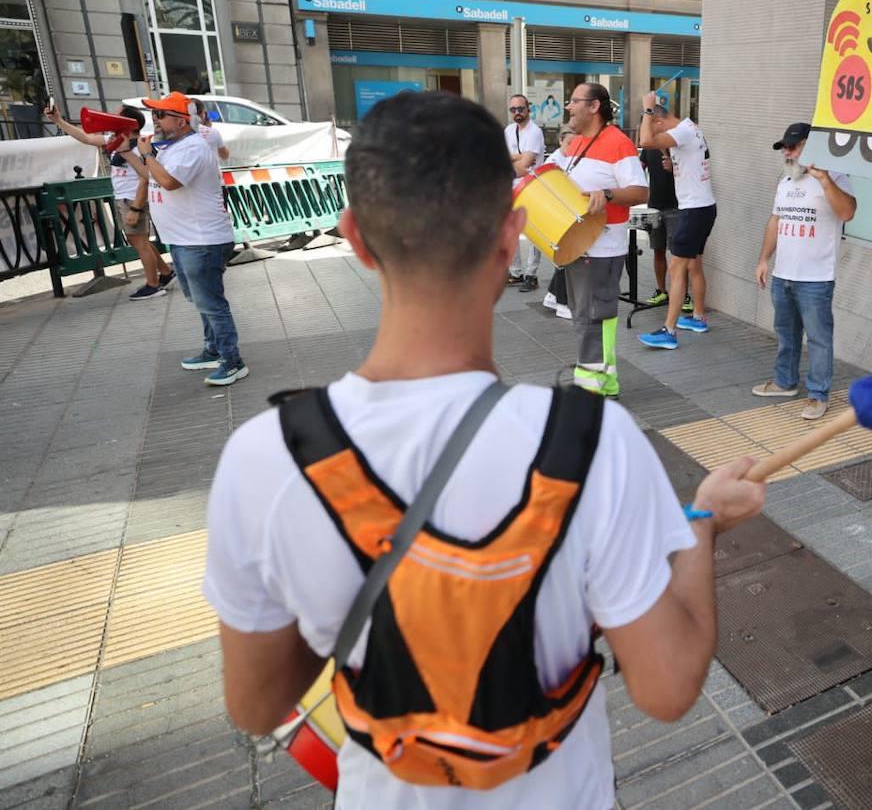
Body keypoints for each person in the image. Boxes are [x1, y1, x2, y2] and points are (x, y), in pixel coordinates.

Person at [201, 91, 768, 809]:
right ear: (513, 238)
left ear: (355, 238)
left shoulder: (265, 458)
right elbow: (668, 687)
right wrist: (702, 526)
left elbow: (256, 705)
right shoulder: (593, 441)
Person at [117, 91, 248, 387]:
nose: (156, 121)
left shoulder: (194, 148)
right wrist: (128, 152)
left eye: (161, 115)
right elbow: (151, 176)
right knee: (199, 300)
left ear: (180, 120)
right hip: (182, 238)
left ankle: (232, 361)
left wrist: (147, 154)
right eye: (154, 115)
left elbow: (169, 182)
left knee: (211, 303)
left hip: (201, 240)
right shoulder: (173, 146)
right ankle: (213, 350)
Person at [751, 123, 856, 420]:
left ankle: (817, 395)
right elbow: (776, 220)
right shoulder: (786, 180)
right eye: (784, 147)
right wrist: (763, 260)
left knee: (819, 339)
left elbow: (847, 212)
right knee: (786, 333)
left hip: (816, 278)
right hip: (784, 274)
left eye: (793, 147)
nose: (787, 152)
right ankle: (785, 382)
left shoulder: (834, 176)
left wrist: (824, 180)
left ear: (812, 146)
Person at [562, 82, 648, 397]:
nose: (568, 107)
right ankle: (605, 381)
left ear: (594, 106)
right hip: (576, 244)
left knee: (592, 319)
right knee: (590, 316)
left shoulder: (618, 143)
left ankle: (589, 392)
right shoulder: (575, 144)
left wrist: (608, 193)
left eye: (574, 101)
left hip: (602, 247)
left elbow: (640, 192)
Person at [43, 103, 174, 299]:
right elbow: (86, 138)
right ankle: (165, 273)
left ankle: (153, 285)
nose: (111, 118)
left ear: (128, 123)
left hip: (132, 200)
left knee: (140, 243)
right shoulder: (117, 140)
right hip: (124, 199)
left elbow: (145, 178)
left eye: (117, 116)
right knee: (139, 240)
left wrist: (136, 208)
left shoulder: (139, 146)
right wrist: (58, 121)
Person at [636, 94, 715, 349]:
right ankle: (699, 317)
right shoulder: (692, 128)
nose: (652, 129)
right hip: (704, 207)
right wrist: (674, 164)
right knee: (693, 265)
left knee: (677, 269)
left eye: (651, 121)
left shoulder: (681, 131)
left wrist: (646, 108)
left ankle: (668, 331)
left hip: (693, 211)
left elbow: (645, 141)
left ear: (659, 119)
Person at [505, 94, 547, 293]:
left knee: (533, 233)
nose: (517, 113)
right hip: (511, 186)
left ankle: (531, 274)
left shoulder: (535, 132)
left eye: (520, 108)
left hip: (532, 186)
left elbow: (525, 166)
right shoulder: (508, 130)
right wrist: (518, 157)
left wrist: (516, 159)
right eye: (513, 109)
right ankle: (515, 272)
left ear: (528, 109)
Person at [544, 126, 576, 320]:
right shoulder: (554, 162)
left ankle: (552, 294)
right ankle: (562, 304)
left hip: (566, 214)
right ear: (560, 141)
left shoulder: (569, 159)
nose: (572, 146)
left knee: (566, 259)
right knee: (566, 259)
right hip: (557, 215)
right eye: (569, 143)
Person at [639, 145, 677, 307]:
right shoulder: (649, 147)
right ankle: (661, 291)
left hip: (676, 207)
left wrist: (674, 167)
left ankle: (683, 294)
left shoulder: (677, 145)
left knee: (679, 255)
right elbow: (639, 169)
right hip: (654, 206)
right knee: (658, 250)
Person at [193, 99, 231, 165]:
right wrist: (208, 129)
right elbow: (225, 155)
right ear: (202, 114)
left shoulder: (178, 134)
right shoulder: (213, 132)